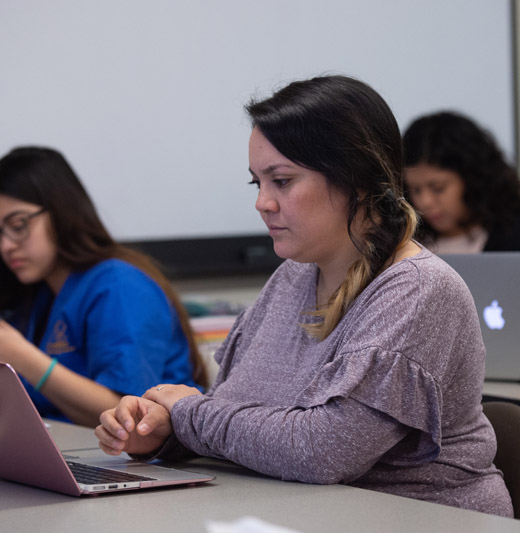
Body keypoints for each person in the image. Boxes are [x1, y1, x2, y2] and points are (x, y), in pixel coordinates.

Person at [95, 75, 513, 516]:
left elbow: (325, 450)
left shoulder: (420, 288)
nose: (263, 203)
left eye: (282, 181)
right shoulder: (292, 276)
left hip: (427, 520)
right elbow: (233, 417)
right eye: (258, 183)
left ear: (357, 181)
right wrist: (164, 433)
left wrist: (188, 416)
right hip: (309, 514)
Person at [0, 147, 207, 427]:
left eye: (18, 224)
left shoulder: (119, 285)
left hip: (141, 462)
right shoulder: (37, 294)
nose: (7, 245)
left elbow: (125, 415)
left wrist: (20, 355)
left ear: (61, 209)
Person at [402, 111, 520, 254]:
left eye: (438, 188)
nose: (425, 202)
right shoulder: (403, 244)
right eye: (415, 190)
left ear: (473, 179)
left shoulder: (513, 237)